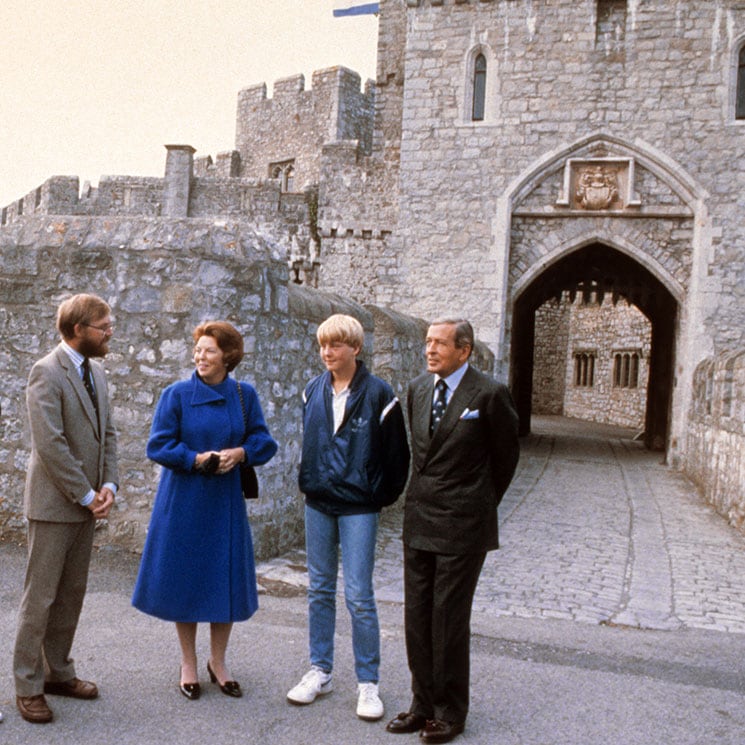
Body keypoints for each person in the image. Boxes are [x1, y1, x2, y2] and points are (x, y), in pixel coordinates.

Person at [386, 318, 519, 744]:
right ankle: (421, 703)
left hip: (463, 524)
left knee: (448, 618)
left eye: (439, 343)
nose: (430, 350)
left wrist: (476, 504)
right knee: (417, 616)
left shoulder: (489, 394)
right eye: (427, 342)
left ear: (464, 350)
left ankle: (449, 711)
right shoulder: (418, 390)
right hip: (420, 519)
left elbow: (505, 460)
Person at [131, 321, 277, 700]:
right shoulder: (176, 395)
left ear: (228, 356)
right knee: (187, 580)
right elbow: (158, 446)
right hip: (184, 499)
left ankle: (219, 661)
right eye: (197, 349)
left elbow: (264, 441)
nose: (200, 356)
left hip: (224, 502)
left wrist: (241, 453)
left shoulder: (244, 395)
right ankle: (188, 663)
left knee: (222, 580)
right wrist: (195, 458)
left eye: (209, 350)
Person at [287, 314, 409, 721]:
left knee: (358, 595)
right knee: (319, 589)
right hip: (319, 502)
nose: (327, 352)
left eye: (336, 345)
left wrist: (377, 495)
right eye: (323, 345)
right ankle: (320, 671)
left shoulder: (379, 394)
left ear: (355, 348)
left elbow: (397, 456)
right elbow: (310, 442)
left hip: (359, 506)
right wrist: (310, 481)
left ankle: (368, 682)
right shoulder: (311, 390)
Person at [13, 293, 119, 724]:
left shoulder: (98, 371)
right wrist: (85, 494)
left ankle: (58, 672)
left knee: (71, 595)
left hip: (86, 504)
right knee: (40, 598)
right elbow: (50, 444)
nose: (110, 331)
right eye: (103, 325)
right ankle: (27, 684)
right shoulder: (46, 372)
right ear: (77, 330)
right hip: (55, 505)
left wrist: (108, 484)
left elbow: (108, 434)